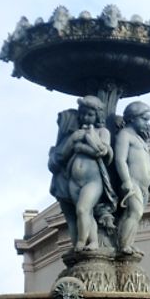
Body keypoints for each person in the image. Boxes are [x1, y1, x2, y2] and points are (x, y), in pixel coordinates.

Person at [47, 96, 116, 251]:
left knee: (82, 209)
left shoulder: (102, 131)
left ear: (97, 116)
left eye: (90, 114)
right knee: (85, 212)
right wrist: (73, 140)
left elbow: (103, 151)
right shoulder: (76, 134)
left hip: (93, 180)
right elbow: (63, 155)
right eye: (83, 114)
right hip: (73, 181)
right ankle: (93, 242)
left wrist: (84, 144)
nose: (86, 117)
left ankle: (80, 243)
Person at [114, 101, 150, 254]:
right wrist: (126, 180)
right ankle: (123, 246)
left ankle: (128, 243)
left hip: (144, 186)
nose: (147, 124)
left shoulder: (140, 139)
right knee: (135, 212)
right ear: (133, 118)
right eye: (144, 119)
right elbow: (120, 159)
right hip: (132, 182)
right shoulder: (125, 135)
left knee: (136, 215)